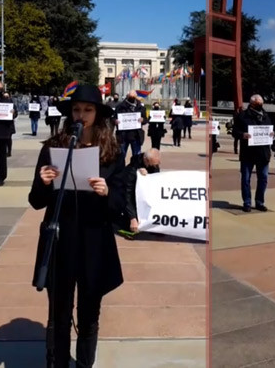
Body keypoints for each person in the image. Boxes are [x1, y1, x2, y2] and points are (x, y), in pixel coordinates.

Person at [29, 84, 124, 368]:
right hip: (60, 238)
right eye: (77, 109)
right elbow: (36, 200)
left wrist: (107, 192)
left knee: (89, 310)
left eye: (88, 110)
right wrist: (44, 182)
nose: (81, 115)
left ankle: (84, 363)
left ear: (98, 114)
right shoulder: (53, 147)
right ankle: (57, 362)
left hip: (95, 239)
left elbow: (121, 204)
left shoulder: (111, 152)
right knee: (59, 310)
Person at [234, 95, 275, 212]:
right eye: (258, 103)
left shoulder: (266, 116)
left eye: (261, 103)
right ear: (252, 104)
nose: (260, 105)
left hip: (263, 153)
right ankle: (247, 202)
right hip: (248, 153)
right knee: (246, 179)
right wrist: (243, 135)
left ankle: (259, 202)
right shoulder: (242, 116)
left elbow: (271, 129)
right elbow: (234, 132)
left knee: (263, 178)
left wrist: (273, 134)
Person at [120, 148, 161, 235]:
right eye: (153, 164)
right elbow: (128, 194)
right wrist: (132, 218)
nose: (156, 166)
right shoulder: (131, 170)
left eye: (157, 164)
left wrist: (148, 176)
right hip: (130, 197)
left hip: (146, 198)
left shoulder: (154, 165)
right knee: (132, 226)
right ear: (146, 160)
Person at [113, 91, 147, 157]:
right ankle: (121, 167)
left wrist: (143, 120)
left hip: (136, 136)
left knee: (137, 157)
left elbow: (146, 119)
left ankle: (135, 167)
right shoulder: (120, 107)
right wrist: (115, 121)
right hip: (123, 136)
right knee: (121, 157)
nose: (132, 98)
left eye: (133, 97)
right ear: (127, 96)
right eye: (130, 97)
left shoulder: (141, 107)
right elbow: (113, 118)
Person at [3, 92, 17, 157]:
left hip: (9, 124)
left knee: (8, 138)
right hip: (1, 124)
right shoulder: (0, 103)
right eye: (4, 96)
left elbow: (16, 113)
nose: (6, 98)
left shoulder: (12, 104)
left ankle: (9, 151)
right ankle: (3, 151)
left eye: (7, 97)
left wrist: (13, 113)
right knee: (3, 139)